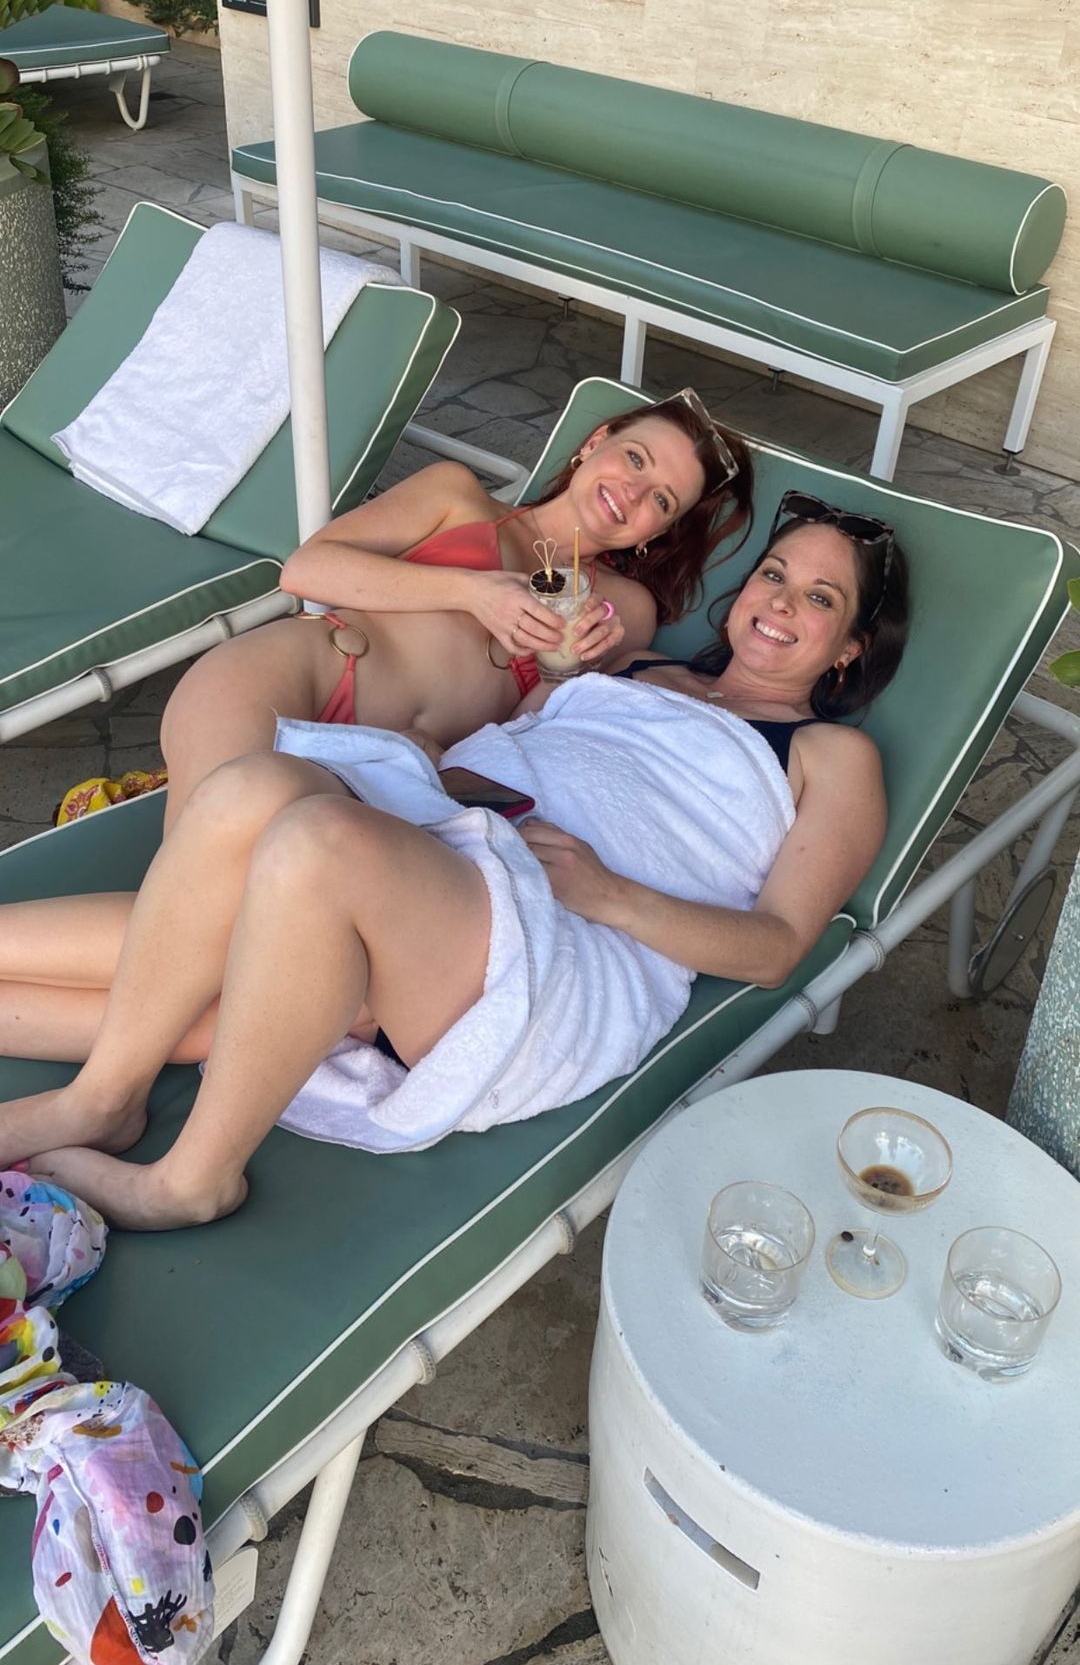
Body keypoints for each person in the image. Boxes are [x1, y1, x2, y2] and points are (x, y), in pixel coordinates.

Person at [0, 491, 909, 1228]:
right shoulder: (631, 666)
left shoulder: (832, 756)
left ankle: (192, 1179)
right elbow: (515, 729)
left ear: (851, 649)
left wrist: (611, 895)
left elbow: (778, 945)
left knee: (315, 841)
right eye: (775, 575)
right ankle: (104, 1098)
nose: (781, 602)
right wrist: (453, 749)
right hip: (451, 846)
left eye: (820, 598)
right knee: (249, 787)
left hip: (558, 942)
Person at [157, 388, 752, 824]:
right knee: (201, 879)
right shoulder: (457, 494)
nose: (634, 491)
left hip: (403, 772)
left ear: (659, 531)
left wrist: (559, 674)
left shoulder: (623, 609)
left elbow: (538, 737)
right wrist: (472, 591)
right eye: (636, 458)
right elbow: (307, 569)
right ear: (595, 444)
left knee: (234, 920)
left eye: (662, 500)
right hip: (292, 677)